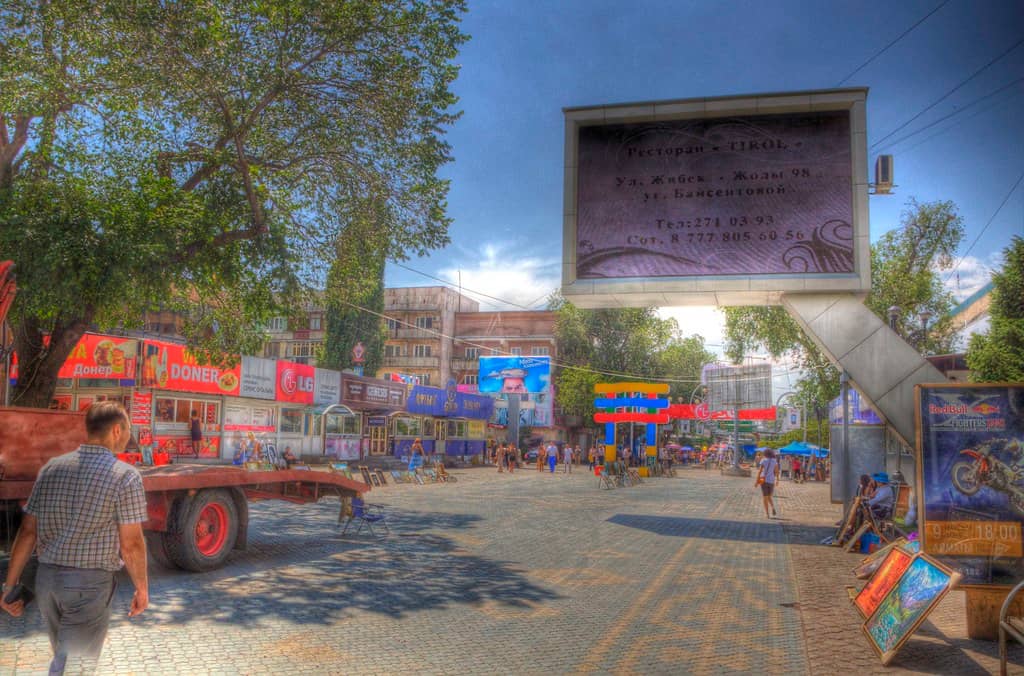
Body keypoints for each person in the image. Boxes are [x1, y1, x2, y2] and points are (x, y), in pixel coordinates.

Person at [2, 401, 149, 674]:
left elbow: (27, 532)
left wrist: (9, 587)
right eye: (129, 428)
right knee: (73, 667)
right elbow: (131, 544)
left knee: (65, 658)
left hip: (47, 584)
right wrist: (141, 588)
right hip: (88, 588)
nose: (130, 435)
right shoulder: (126, 477)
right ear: (117, 430)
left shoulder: (51, 469)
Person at [756, 448, 780, 518]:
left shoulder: (763, 460)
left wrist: (756, 481)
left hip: (763, 480)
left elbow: (760, 471)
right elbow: (777, 471)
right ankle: (772, 507)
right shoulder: (774, 461)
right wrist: (777, 480)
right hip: (771, 481)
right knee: (769, 496)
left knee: (765, 497)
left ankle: (767, 514)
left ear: (765, 454)